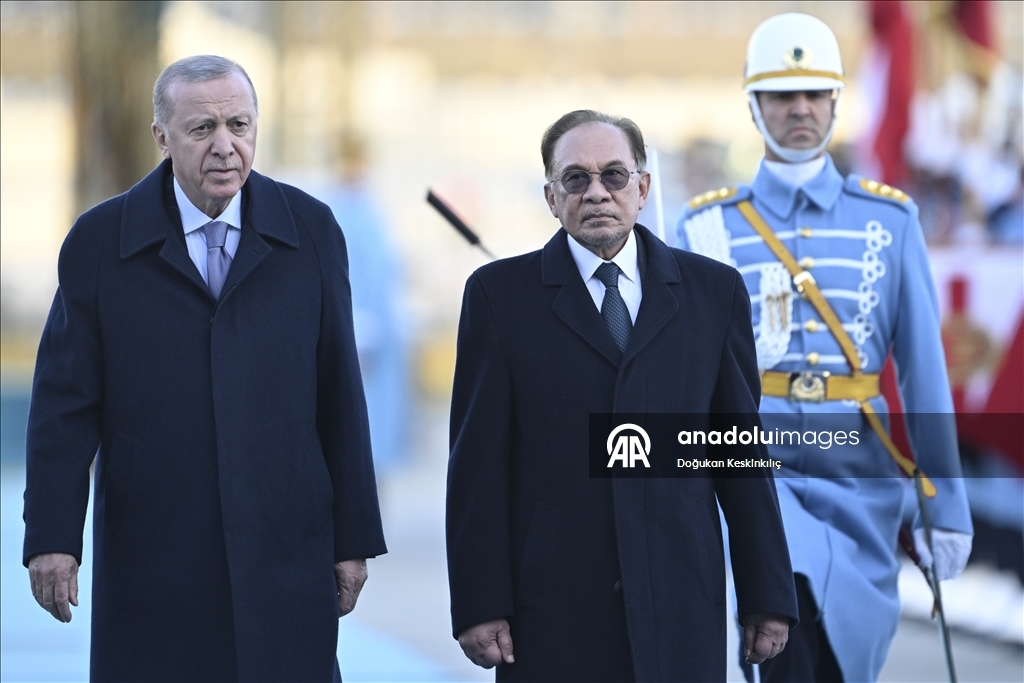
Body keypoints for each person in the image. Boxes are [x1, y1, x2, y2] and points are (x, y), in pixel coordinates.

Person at [22, 55, 386, 682]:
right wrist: (52, 536)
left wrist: (354, 540)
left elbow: (340, 394)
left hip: (285, 546)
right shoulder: (100, 242)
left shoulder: (312, 230)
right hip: (153, 553)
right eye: (202, 129)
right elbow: (63, 405)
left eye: (239, 125)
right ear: (162, 137)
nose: (225, 146)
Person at [446, 109, 798, 683]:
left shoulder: (714, 293)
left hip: (680, 599)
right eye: (575, 178)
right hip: (553, 612)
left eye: (613, 174)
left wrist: (767, 593)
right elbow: (477, 467)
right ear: (551, 196)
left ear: (643, 187)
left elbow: (740, 455)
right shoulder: (498, 297)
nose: (596, 193)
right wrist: (479, 601)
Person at [677, 14, 973, 682]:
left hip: (863, 483)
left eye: (815, 93)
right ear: (754, 105)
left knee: (844, 654)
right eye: (783, 94)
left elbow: (924, 374)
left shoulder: (891, 220)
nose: (801, 108)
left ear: (837, 101)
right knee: (788, 611)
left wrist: (946, 504)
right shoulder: (702, 227)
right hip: (756, 471)